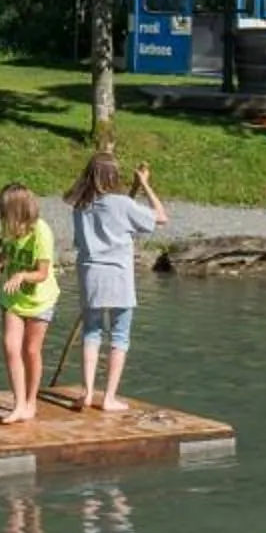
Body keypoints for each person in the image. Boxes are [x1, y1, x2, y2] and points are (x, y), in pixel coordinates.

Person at [65, 152, 168, 412]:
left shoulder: (80, 206)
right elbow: (161, 217)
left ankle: (88, 391)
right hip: (118, 276)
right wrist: (144, 184)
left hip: (90, 275)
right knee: (120, 335)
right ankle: (108, 397)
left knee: (91, 332)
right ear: (114, 176)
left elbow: (79, 242)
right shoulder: (122, 203)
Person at [0, 182, 57, 424]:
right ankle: (18, 404)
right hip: (14, 299)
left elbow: (43, 273)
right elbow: (7, 251)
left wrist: (21, 276)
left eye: (5, 211)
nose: (2, 216)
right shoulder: (9, 229)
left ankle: (31, 401)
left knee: (31, 350)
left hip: (39, 300)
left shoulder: (41, 232)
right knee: (10, 346)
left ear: (18, 210)